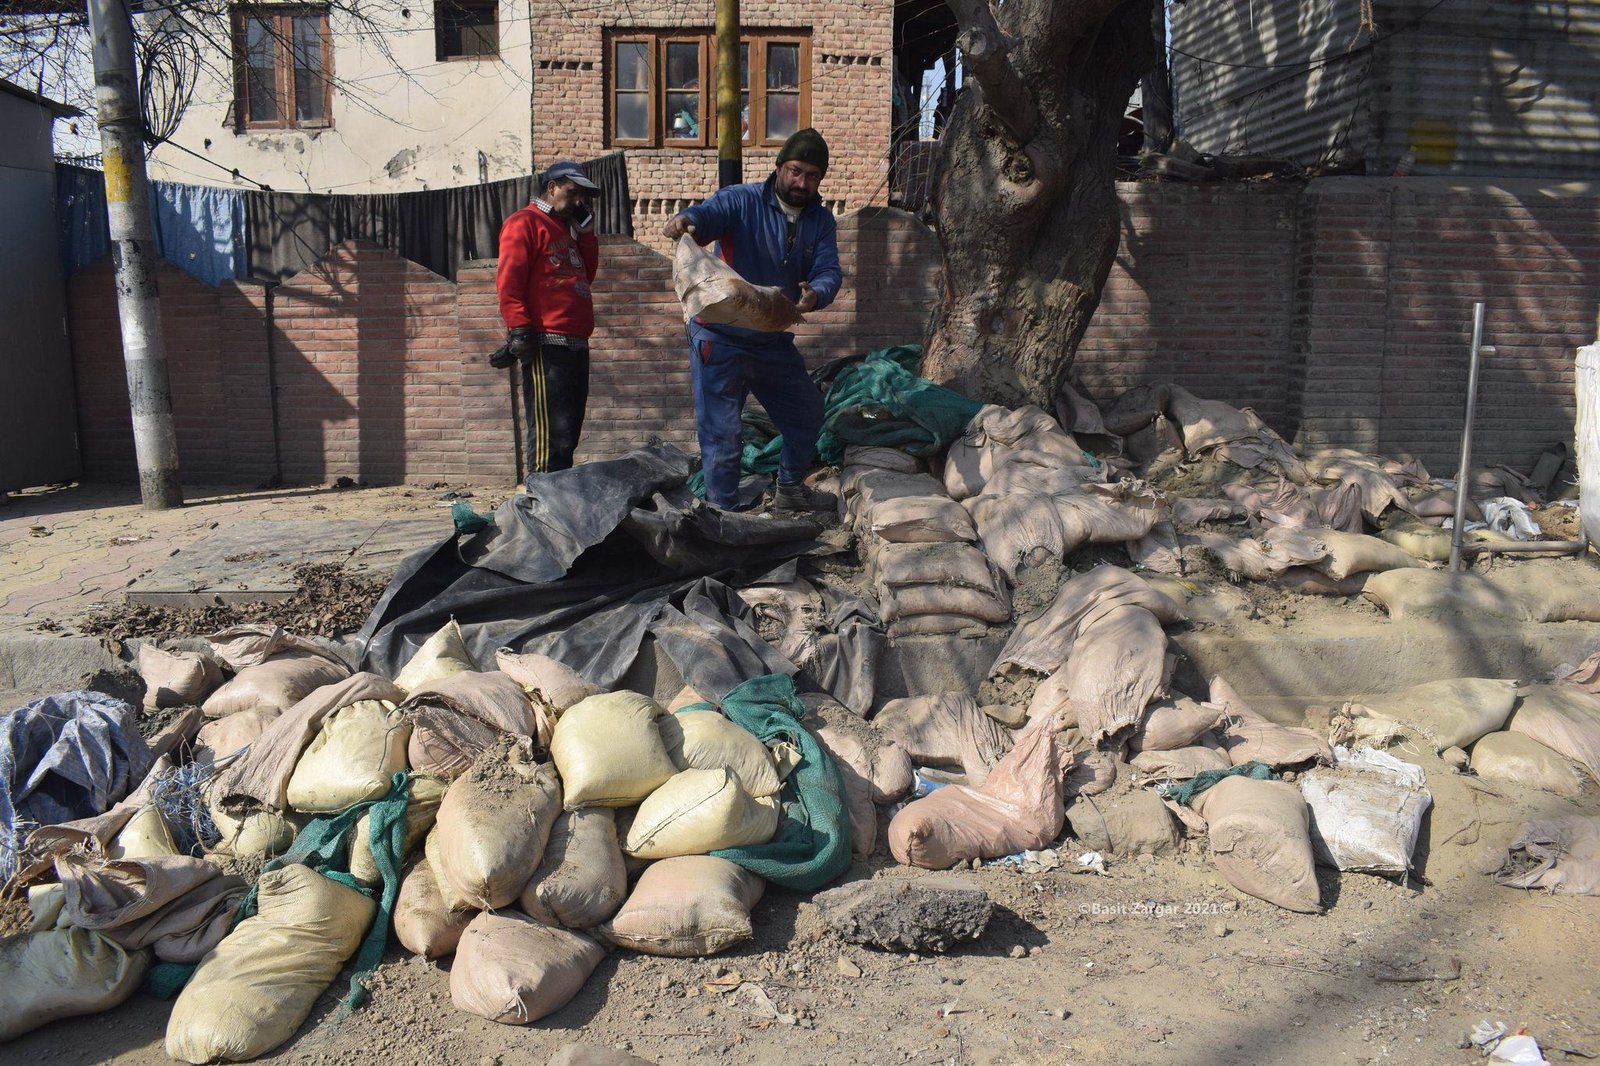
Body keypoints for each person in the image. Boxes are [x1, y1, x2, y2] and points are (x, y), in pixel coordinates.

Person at [662, 128, 842, 515]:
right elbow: (707, 216)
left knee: (807, 413)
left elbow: (829, 269)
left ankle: (791, 488)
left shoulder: (821, 221)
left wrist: (818, 294)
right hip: (720, 338)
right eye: (795, 171)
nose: (802, 182)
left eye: (812, 176)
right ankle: (724, 515)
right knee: (723, 433)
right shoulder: (742, 200)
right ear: (779, 167)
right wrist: (687, 220)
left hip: (771, 339)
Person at [496, 160, 600, 475]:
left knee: (567, 436)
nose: (578, 202)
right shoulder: (524, 223)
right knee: (549, 440)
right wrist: (520, 329)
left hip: (576, 344)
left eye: (583, 196)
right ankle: (540, 510)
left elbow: (585, 277)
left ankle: (559, 507)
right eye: (573, 193)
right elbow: (509, 282)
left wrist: (586, 235)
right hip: (546, 344)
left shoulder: (566, 232)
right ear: (552, 188)